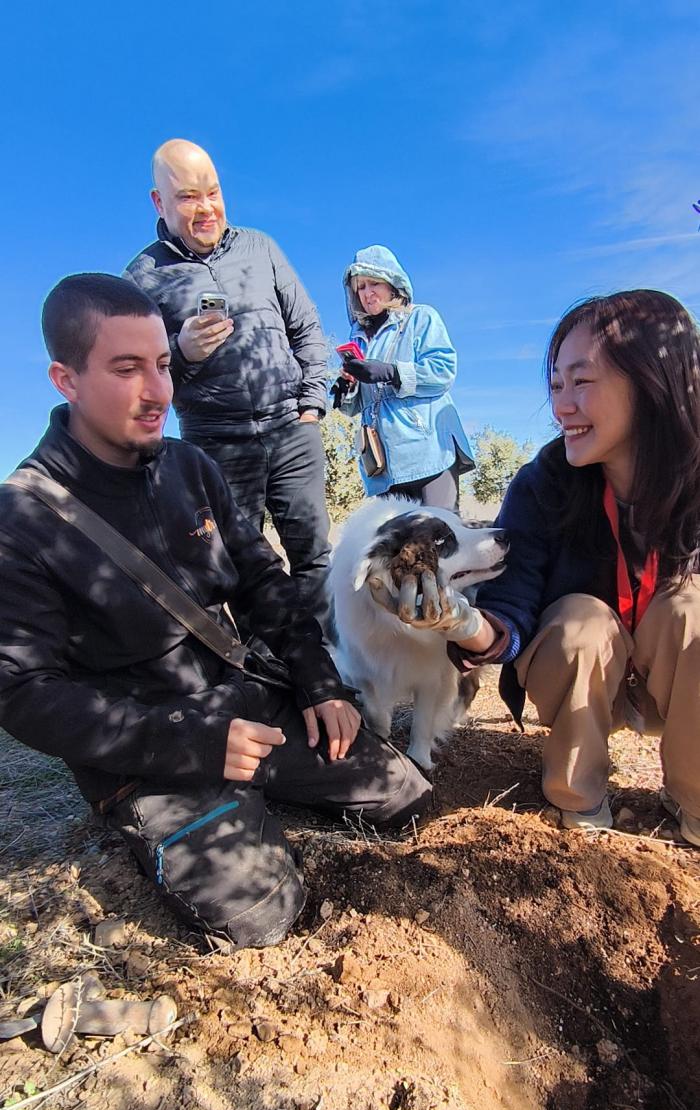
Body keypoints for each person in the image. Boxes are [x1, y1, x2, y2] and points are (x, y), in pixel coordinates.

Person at [0, 274, 431, 948]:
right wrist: (183, 742)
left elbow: (263, 581)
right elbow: (23, 693)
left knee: (402, 794)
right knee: (262, 914)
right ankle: (200, 813)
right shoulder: (21, 517)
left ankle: (265, 784)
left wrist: (316, 682)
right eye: (127, 368)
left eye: (164, 365)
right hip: (149, 746)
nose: (159, 391)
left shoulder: (190, 467)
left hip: (242, 700)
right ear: (67, 379)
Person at [427, 289, 700, 843]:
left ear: (652, 380)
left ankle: (695, 799)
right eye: (556, 385)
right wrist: (467, 626)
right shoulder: (544, 484)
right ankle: (578, 800)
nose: (561, 406)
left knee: (691, 608)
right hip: (582, 679)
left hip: (677, 680)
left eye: (581, 382)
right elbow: (513, 603)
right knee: (579, 620)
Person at [124, 139, 331, 624]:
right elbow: (137, 379)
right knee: (239, 567)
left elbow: (307, 327)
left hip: (291, 429)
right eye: (187, 197)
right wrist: (182, 352)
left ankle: (331, 677)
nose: (205, 209)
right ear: (159, 202)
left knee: (315, 561)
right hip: (216, 445)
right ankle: (271, 682)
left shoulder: (261, 248)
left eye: (212, 193)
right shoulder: (140, 279)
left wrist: (313, 402)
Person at [331, 245, 474, 511]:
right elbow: (354, 408)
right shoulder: (357, 337)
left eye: (374, 283)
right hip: (382, 465)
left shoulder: (421, 318)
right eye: (360, 287)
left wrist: (392, 372)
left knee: (442, 538)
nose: (367, 293)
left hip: (428, 452)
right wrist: (347, 389)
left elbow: (443, 371)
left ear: (392, 283)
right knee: (396, 548)